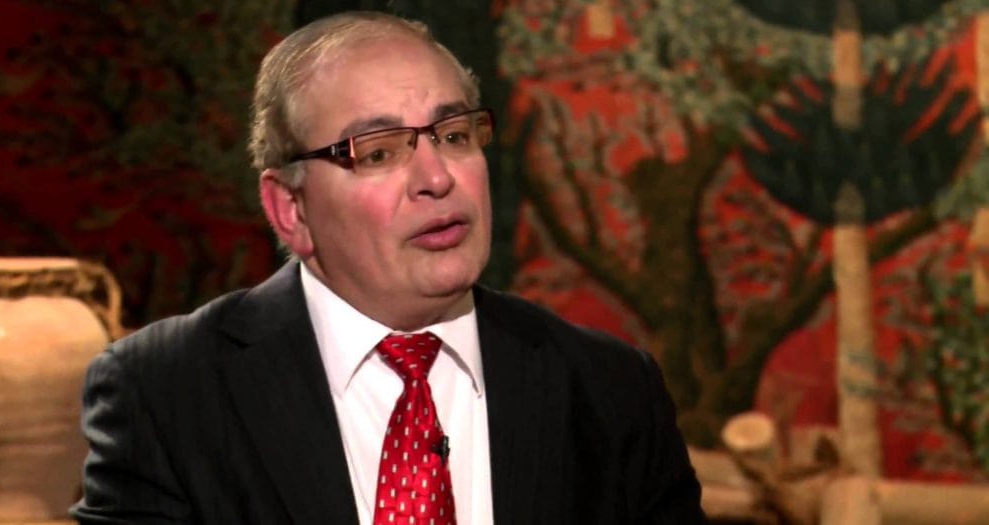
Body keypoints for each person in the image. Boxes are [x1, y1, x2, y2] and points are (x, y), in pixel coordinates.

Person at [71, 10, 705, 525]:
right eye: (377, 153)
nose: (437, 178)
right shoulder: (165, 394)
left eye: (454, 136)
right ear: (291, 209)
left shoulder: (611, 390)